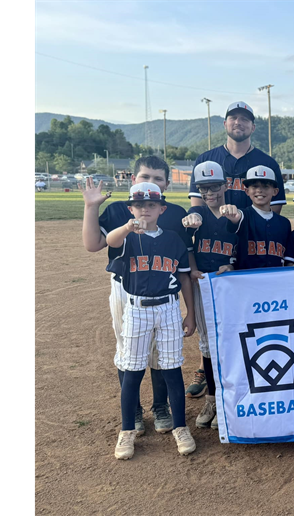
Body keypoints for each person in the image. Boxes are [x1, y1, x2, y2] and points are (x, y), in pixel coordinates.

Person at [82, 156, 187, 436]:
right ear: (133, 179)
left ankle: (160, 405)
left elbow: (182, 258)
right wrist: (91, 207)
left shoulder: (173, 212)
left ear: (166, 185)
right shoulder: (119, 210)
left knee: (161, 353)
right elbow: (93, 244)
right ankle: (135, 411)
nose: (150, 183)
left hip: (162, 287)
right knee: (128, 349)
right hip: (125, 287)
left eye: (158, 179)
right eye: (145, 176)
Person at [106, 182, 197, 459]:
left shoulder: (173, 239)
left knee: (171, 368)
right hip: (136, 309)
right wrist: (127, 227)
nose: (145, 209)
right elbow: (110, 241)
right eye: (139, 205)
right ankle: (126, 431)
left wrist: (190, 312)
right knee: (132, 370)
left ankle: (180, 427)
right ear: (131, 208)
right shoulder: (127, 237)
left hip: (168, 308)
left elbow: (183, 277)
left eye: (151, 205)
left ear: (162, 208)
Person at [179, 161, 239, 430]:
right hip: (204, 284)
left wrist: (234, 263)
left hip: (230, 287)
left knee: (232, 342)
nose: (209, 192)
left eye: (214, 186)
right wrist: (192, 268)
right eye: (203, 188)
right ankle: (213, 398)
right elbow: (186, 246)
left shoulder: (236, 213)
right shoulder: (196, 214)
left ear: (225, 185)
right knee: (208, 344)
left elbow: (245, 246)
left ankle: (231, 397)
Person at [188, 101, 286, 214]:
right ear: (225, 124)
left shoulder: (268, 163)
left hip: (253, 230)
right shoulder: (205, 160)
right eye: (233, 118)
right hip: (215, 230)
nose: (238, 122)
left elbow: (275, 207)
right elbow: (197, 204)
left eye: (244, 119)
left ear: (253, 127)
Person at [219, 165, 292, 270]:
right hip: (247, 281)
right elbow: (237, 217)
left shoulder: (284, 223)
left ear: (275, 191)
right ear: (247, 191)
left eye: (265, 186)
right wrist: (232, 213)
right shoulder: (244, 215)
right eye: (255, 186)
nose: (259, 190)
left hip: (275, 281)